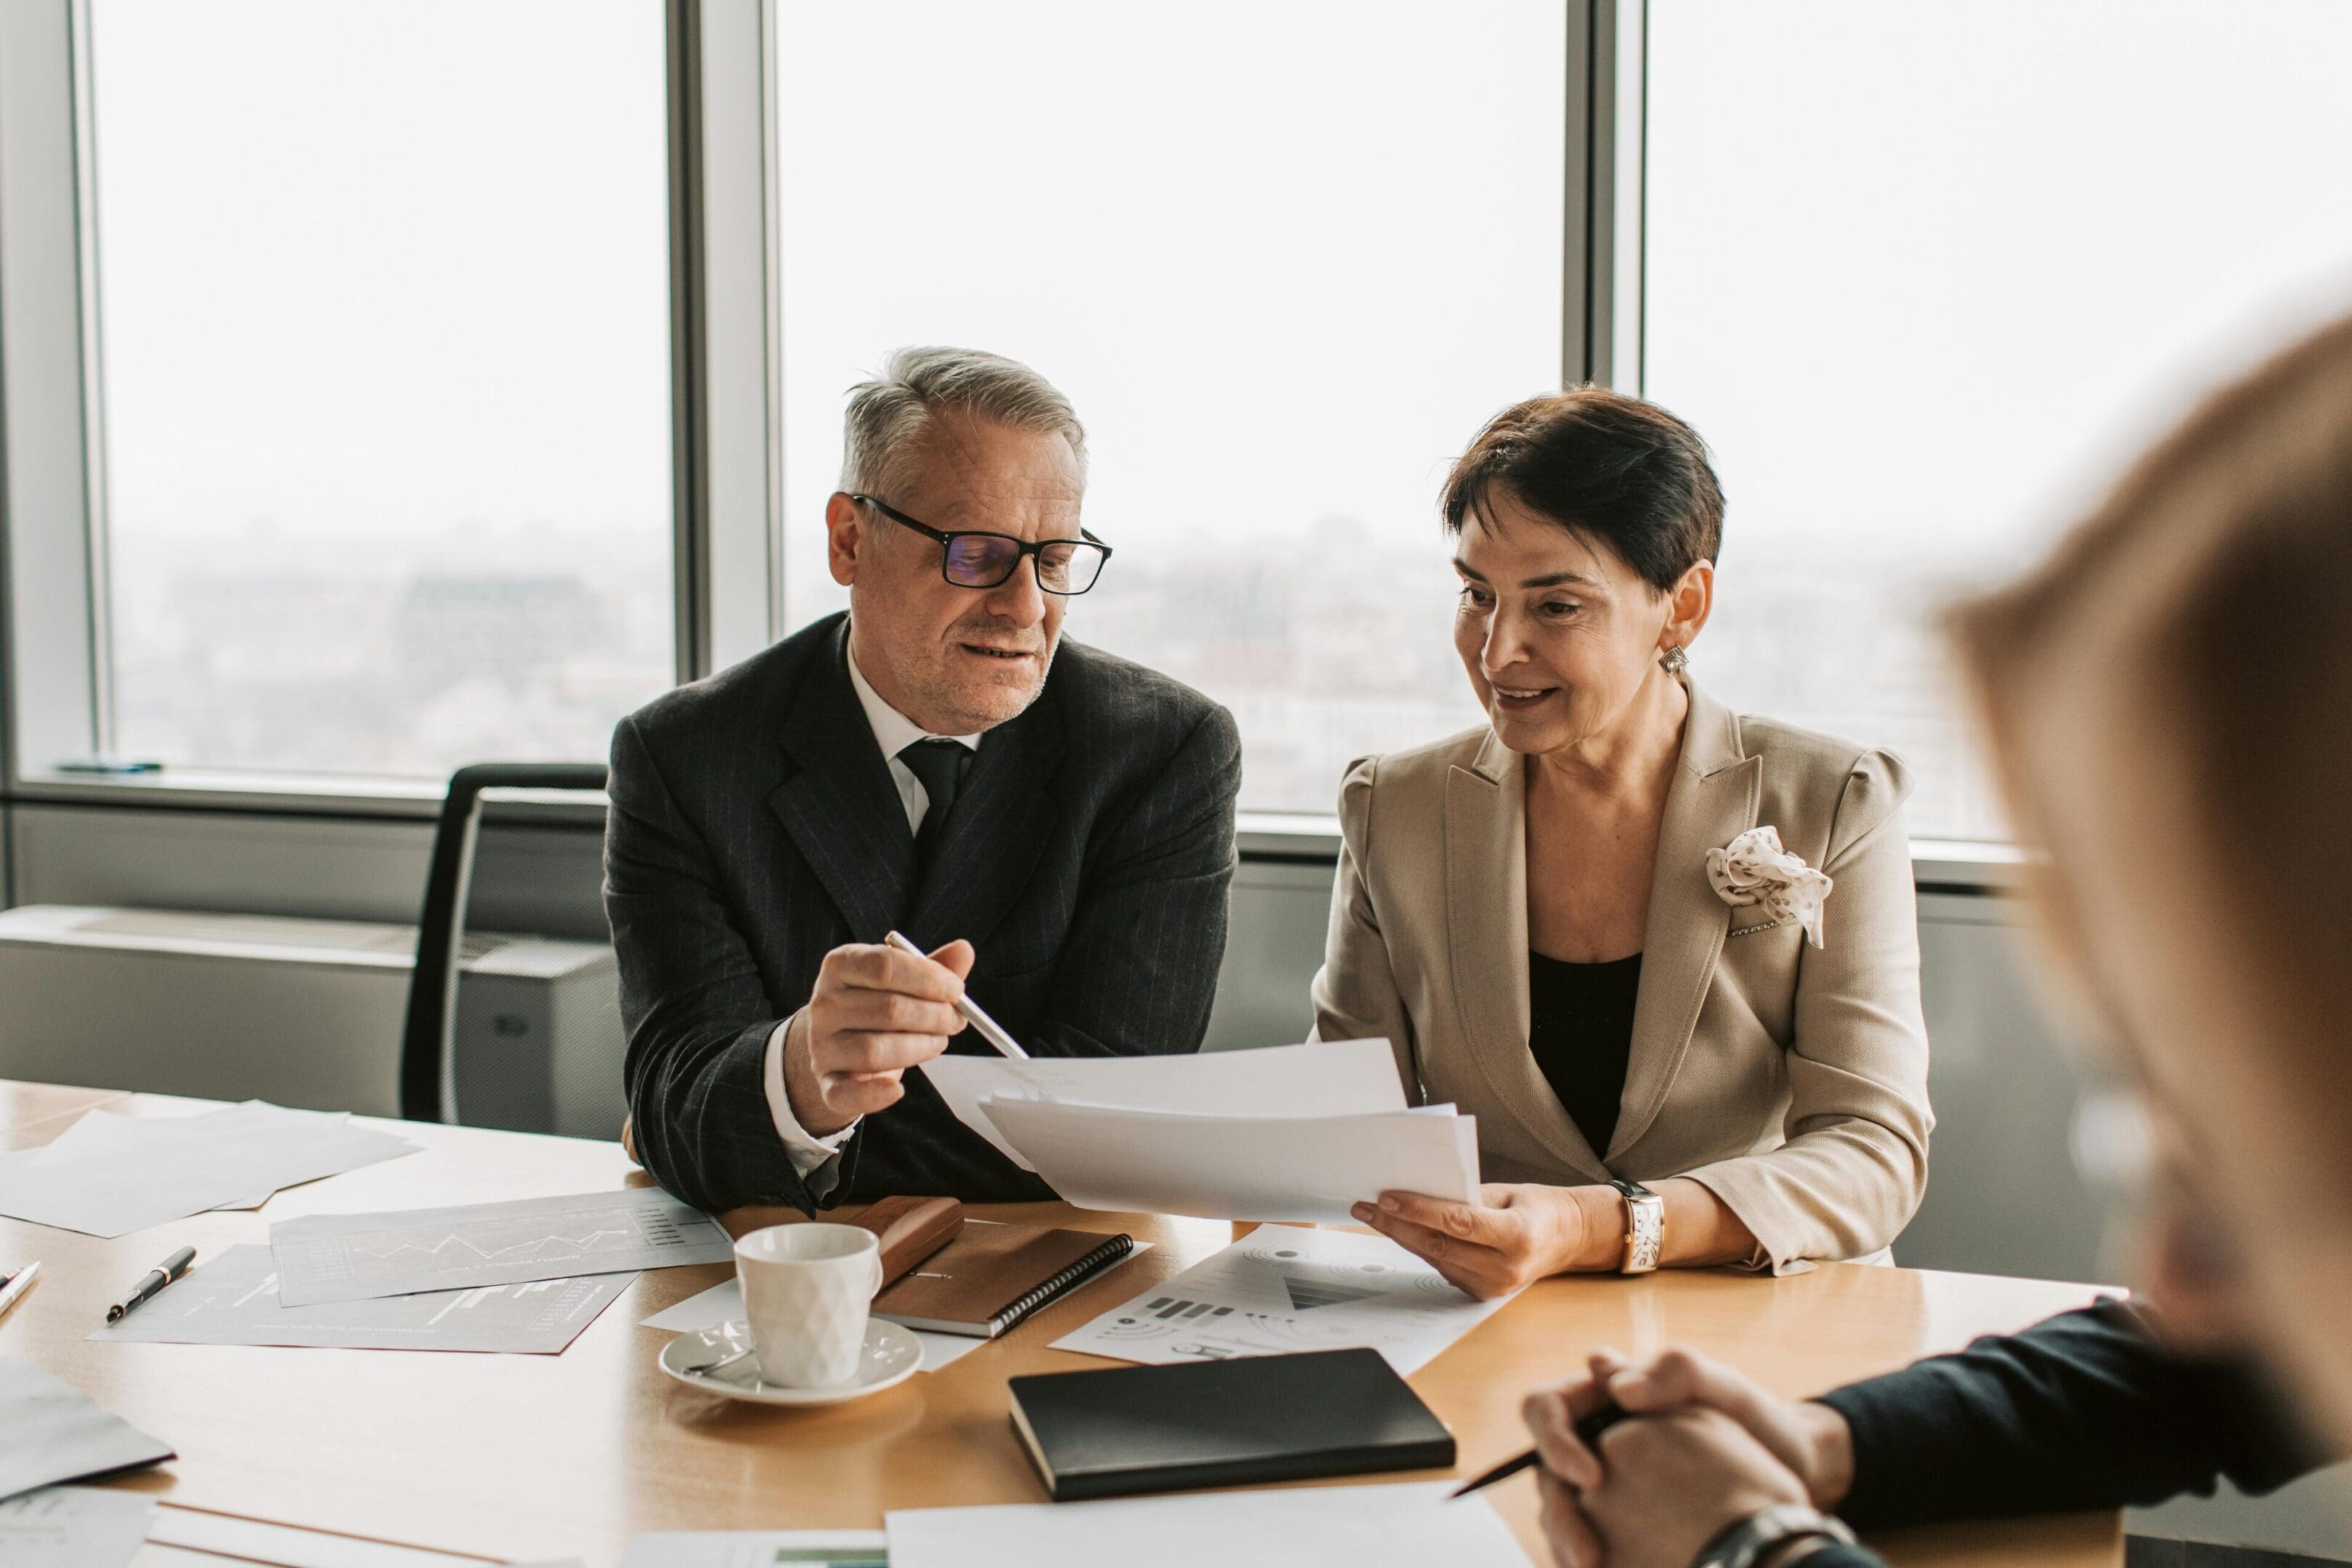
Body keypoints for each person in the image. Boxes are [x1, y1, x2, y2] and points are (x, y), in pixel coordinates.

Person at [1516, 311, 2352, 1568]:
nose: (2164, 1272)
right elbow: (2193, 1372)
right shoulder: (1408, 802)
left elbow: (1874, 1144)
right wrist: (1815, 1445)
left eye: (2248, 1166)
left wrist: (1749, 1548)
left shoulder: (1832, 790)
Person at [1312, 388, 1932, 1294]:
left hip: (1760, 1308)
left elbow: (1875, 1153)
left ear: (1682, 608)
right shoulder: (1390, 808)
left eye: (1556, 606)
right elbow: (1348, 1127)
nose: (1496, 652)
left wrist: (1600, 1227)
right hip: (1483, 1316)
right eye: (1477, 596)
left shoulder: (1833, 800)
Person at [605, 346, 1241, 1216]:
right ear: (849, 540)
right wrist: (791, 1073)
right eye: (976, 554)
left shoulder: (1162, 749)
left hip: (1055, 1270)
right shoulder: (686, 755)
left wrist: (773, 1116)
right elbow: (679, 1095)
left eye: (1052, 560)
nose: (1025, 609)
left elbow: (1114, 1123)